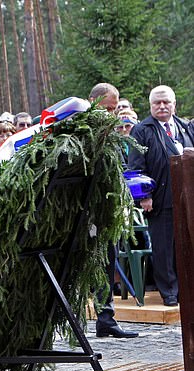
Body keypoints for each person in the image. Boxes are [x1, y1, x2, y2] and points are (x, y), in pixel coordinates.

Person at [128, 85, 193, 307]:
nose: (162, 106)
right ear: (150, 105)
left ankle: (187, 288)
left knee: (186, 246)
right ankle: (170, 292)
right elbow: (136, 167)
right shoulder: (142, 130)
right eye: (157, 102)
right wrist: (144, 196)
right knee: (164, 248)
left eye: (166, 102)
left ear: (174, 104)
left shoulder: (185, 127)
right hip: (160, 197)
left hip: (187, 198)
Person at [88, 83, 138, 338]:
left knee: (108, 261)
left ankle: (106, 318)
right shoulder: (85, 134)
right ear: (93, 103)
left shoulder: (115, 136)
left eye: (114, 109)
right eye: (107, 108)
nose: (110, 113)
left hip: (110, 212)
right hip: (88, 214)